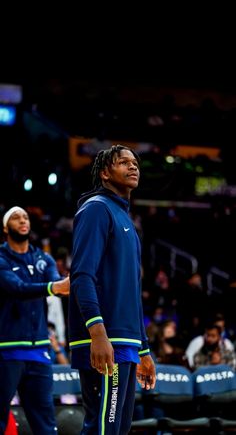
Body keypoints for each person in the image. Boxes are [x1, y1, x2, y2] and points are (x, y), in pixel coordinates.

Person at [69, 144, 156, 434]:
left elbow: (132, 291)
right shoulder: (96, 209)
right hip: (105, 340)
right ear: (105, 173)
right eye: (124, 162)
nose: (133, 167)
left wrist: (143, 349)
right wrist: (97, 333)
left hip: (126, 343)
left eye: (135, 163)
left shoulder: (125, 218)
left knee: (117, 430)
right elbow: (82, 275)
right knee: (102, 430)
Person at [0, 206, 70, 435]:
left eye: (26, 217)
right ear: (5, 227)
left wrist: (68, 283)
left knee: (46, 424)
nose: (23, 220)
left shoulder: (44, 259)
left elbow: (57, 286)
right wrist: (54, 287)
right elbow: (17, 288)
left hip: (39, 350)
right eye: (16, 217)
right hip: (7, 350)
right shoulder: (1, 259)